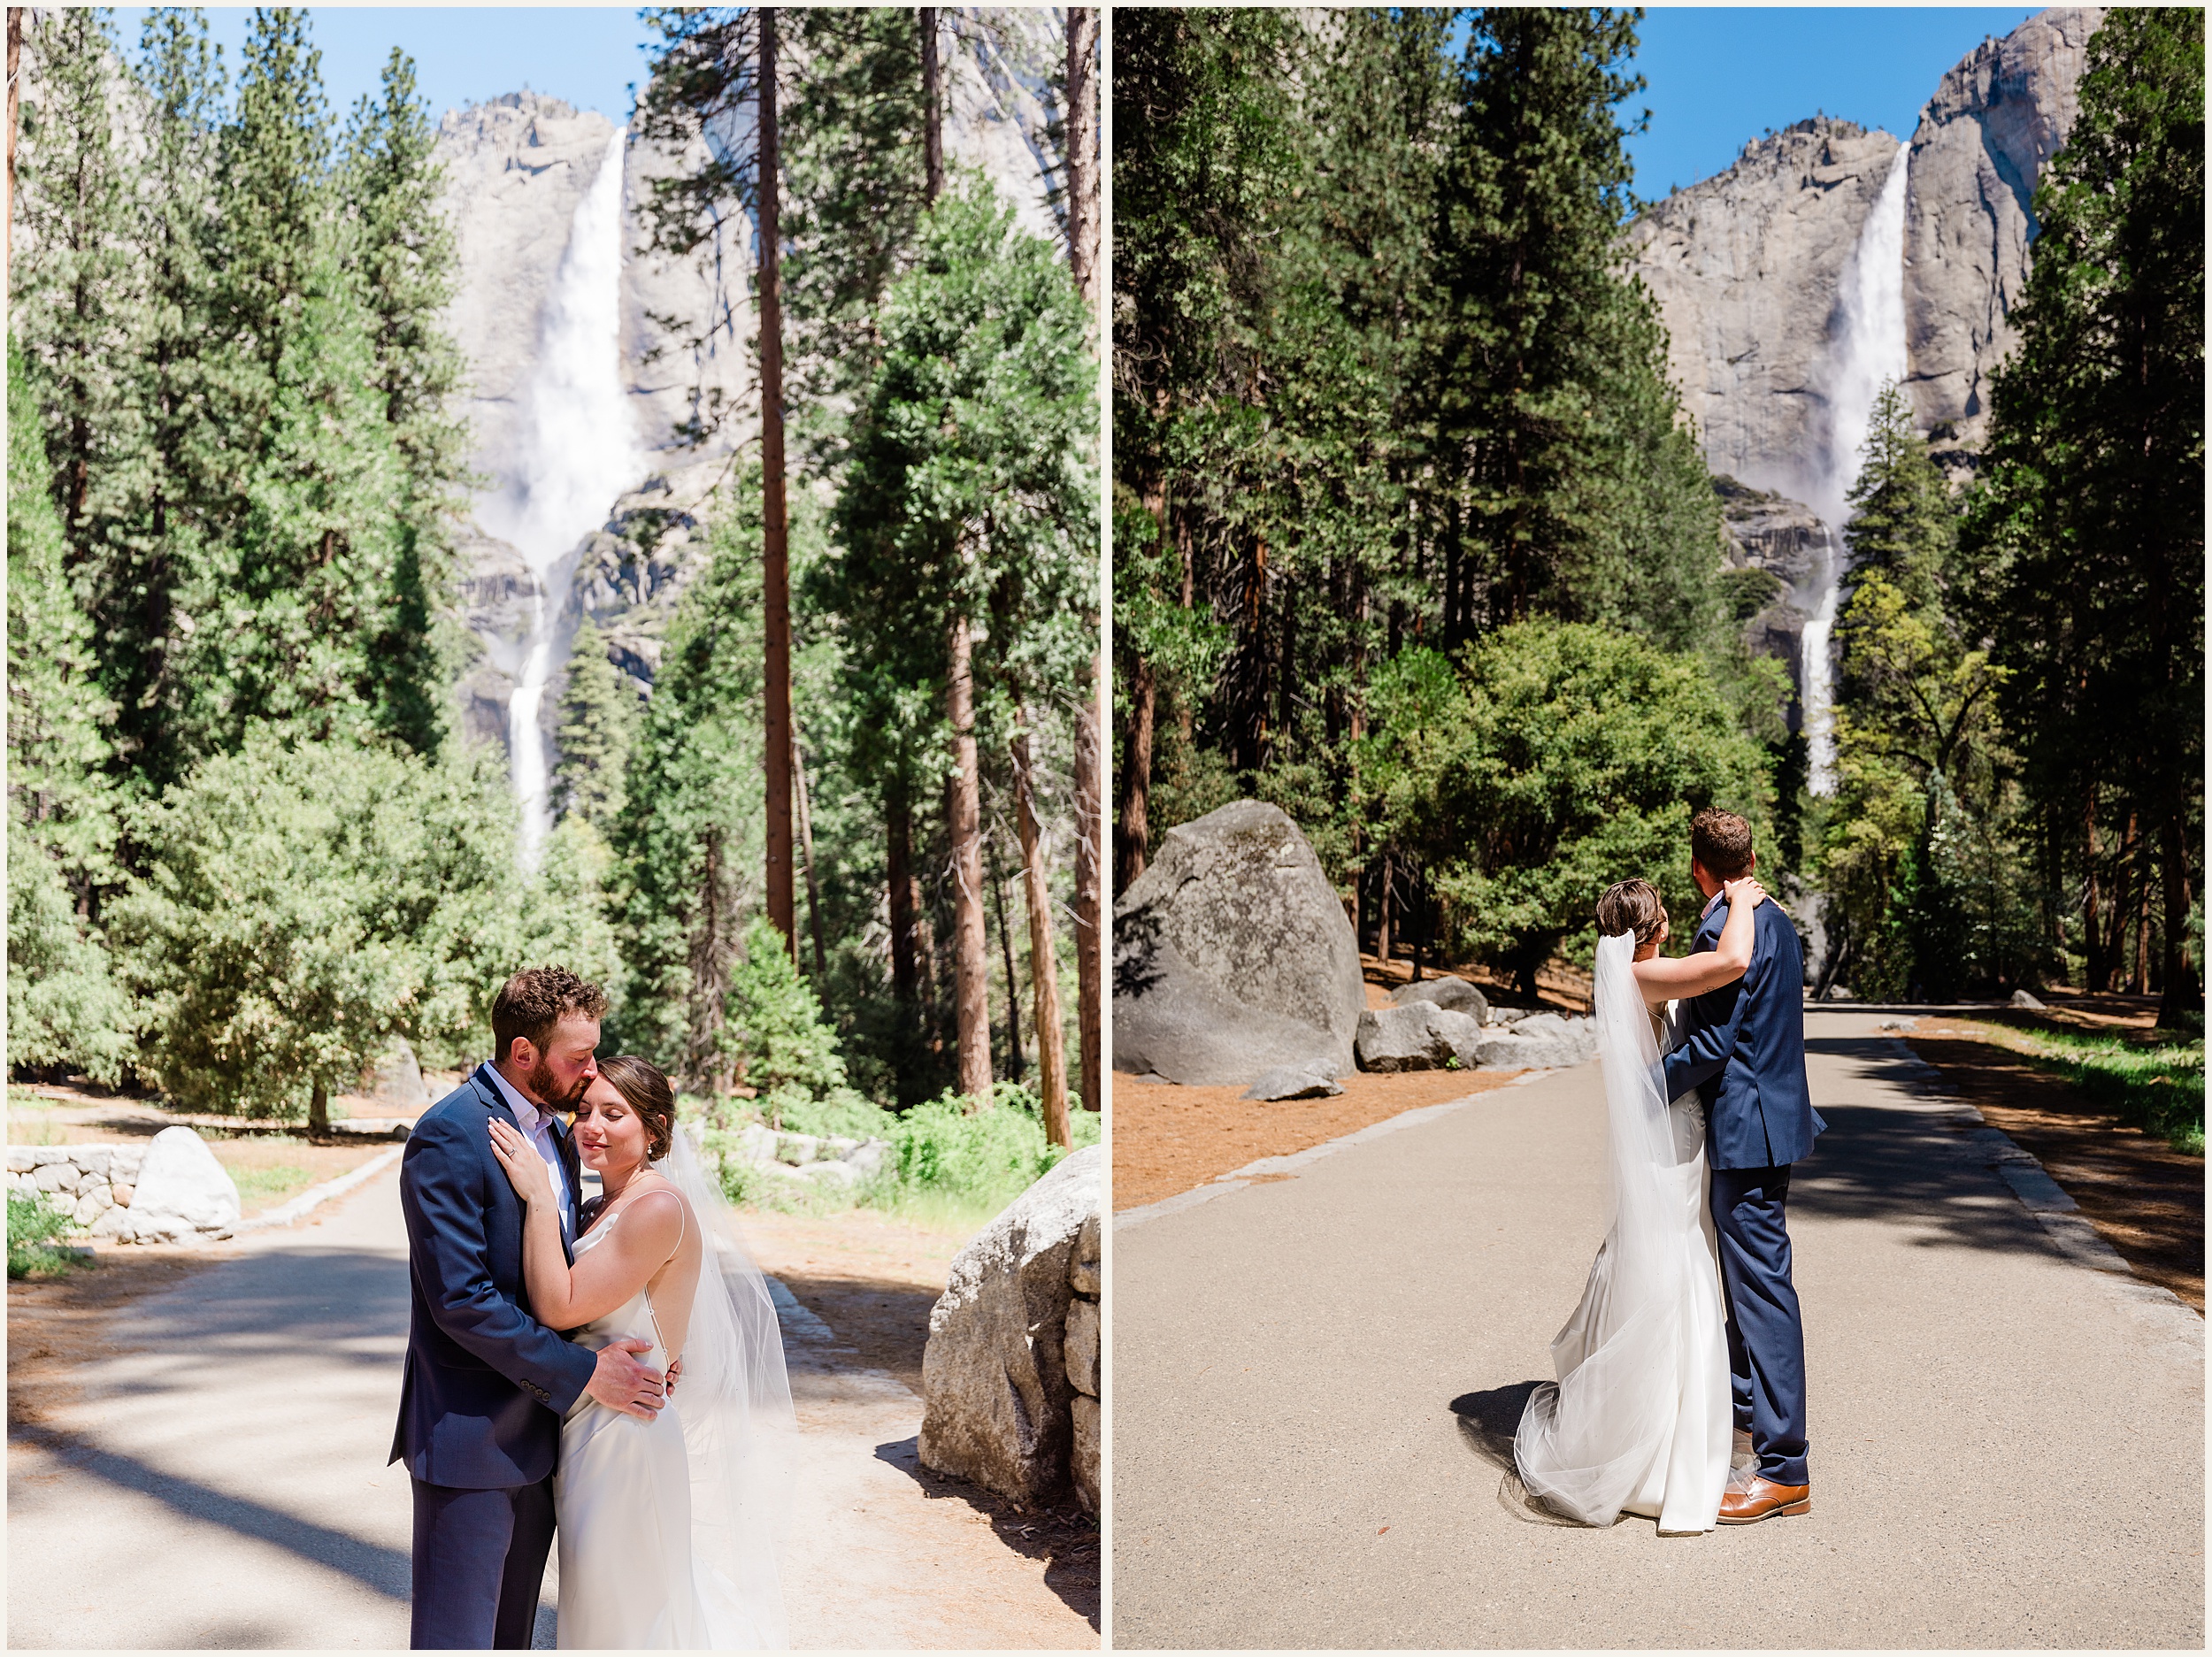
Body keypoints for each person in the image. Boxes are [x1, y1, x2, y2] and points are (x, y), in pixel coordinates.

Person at [390, 969, 670, 1650]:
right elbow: (463, 1301)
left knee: (510, 1638)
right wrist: (583, 1372)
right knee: (458, 1638)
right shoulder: (450, 1134)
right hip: (471, 1437)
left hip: (548, 1441)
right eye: (578, 1058)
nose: (592, 1070)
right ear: (524, 1053)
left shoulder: (557, 1135)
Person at [489, 1054, 794, 1649]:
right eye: (583, 1111)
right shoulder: (606, 1201)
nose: (591, 1126)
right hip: (591, 1427)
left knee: (623, 1614)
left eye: (614, 1112)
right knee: (603, 1605)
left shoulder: (656, 1206)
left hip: (626, 1438)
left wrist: (538, 1200)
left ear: (654, 1130)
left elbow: (558, 1307)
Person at [1513, 859, 1770, 1532]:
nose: (1667, 915)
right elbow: (1734, 960)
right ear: (1648, 926)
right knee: (1674, 1268)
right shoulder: (1643, 975)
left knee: (1663, 1262)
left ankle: (1656, 1429)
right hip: (1668, 1144)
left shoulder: (1633, 976)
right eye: (1659, 910)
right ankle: (1664, 1456)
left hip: (1667, 1137)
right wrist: (1739, 896)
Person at [1660, 807, 1824, 1525]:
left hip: (1746, 1130)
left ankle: (1785, 1468)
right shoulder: (1778, 919)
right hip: (1774, 1123)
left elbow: (1713, 1044)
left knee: (1761, 1294)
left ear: (1700, 866)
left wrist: (1646, 1088)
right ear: (1750, 855)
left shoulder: (1720, 927)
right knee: (1750, 1288)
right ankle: (1746, 1427)